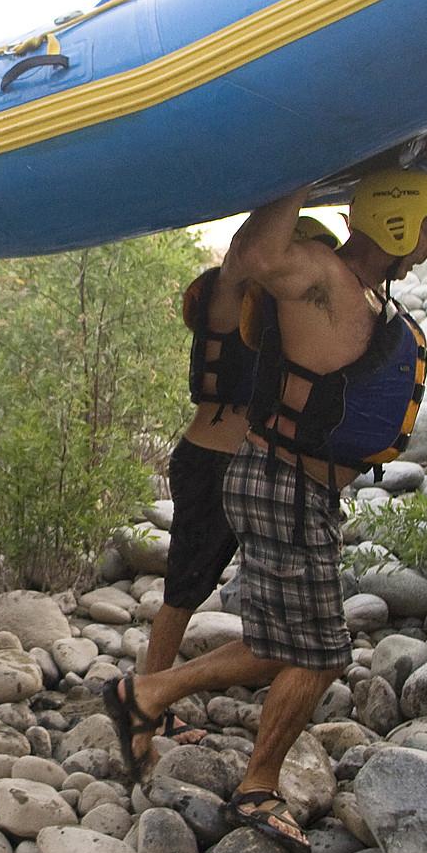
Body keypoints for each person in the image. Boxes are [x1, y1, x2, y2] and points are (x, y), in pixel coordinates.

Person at [104, 135, 427, 853]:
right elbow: (256, 256)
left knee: (285, 645)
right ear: (395, 226)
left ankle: (146, 695)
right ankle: (256, 786)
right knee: (322, 650)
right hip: (280, 482)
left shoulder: (364, 285)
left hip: (303, 488)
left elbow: (394, 208)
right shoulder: (316, 274)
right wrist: (310, 138)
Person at [142, 215, 341, 747]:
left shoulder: (289, 317)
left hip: (252, 467)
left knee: (271, 597)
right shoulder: (233, 296)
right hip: (210, 460)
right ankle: (146, 702)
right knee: (186, 588)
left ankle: (276, 686)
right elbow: (240, 258)